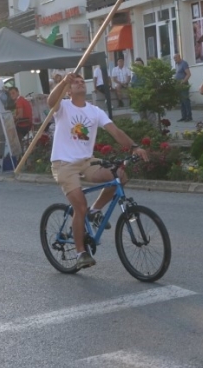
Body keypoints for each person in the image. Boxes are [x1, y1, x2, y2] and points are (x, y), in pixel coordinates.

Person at [46, 73, 148, 271]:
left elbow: (115, 131)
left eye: (81, 81)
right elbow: (51, 101)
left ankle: (95, 210)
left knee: (119, 176)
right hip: (64, 164)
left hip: (87, 161)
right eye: (75, 82)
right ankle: (80, 253)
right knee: (79, 207)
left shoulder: (95, 111)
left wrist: (134, 147)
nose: (79, 83)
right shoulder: (63, 106)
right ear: (68, 91)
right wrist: (64, 81)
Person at [173, 53, 193, 122]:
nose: (174, 60)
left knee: (185, 100)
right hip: (178, 85)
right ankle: (183, 116)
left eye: (175, 58)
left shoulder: (184, 63)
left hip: (183, 85)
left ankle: (189, 116)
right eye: (174, 58)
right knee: (181, 101)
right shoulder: (177, 65)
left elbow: (188, 74)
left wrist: (183, 82)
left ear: (179, 57)